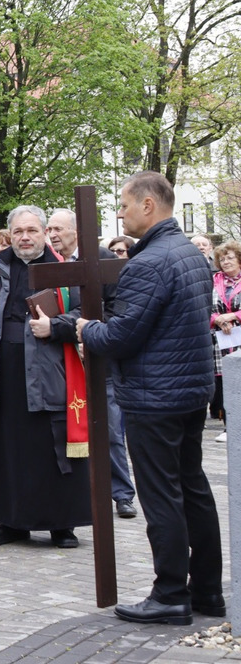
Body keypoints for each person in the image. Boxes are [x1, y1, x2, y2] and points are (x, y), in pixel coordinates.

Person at [79, 171, 223, 625]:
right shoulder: (191, 254)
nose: (119, 213)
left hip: (154, 396)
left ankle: (169, 594)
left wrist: (84, 329)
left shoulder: (148, 262)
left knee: (162, 496)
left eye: (123, 204)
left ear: (147, 205)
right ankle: (207, 592)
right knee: (194, 489)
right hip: (189, 392)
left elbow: (122, 335)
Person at [0, 206, 91, 547]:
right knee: (6, 452)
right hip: (0, 378)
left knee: (52, 454)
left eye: (32, 231)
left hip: (50, 374)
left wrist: (56, 326)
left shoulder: (64, 271)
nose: (25, 237)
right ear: (10, 235)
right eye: (19, 232)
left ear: (44, 233)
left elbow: (88, 314)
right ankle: (10, 522)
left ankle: (61, 525)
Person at [45, 208, 137, 518]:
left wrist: (93, 336)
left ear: (77, 230)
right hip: (62, 363)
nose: (52, 234)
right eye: (50, 229)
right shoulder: (50, 265)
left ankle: (122, 493)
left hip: (101, 363)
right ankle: (77, 492)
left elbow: (118, 310)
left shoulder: (104, 260)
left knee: (109, 431)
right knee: (66, 430)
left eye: (58, 228)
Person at [207, 240, 241, 441]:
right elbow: (205, 307)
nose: (225, 261)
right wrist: (217, 319)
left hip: (239, 337)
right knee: (222, 386)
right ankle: (229, 427)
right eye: (222, 258)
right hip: (220, 341)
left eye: (230, 257)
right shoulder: (213, 280)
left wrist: (235, 316)